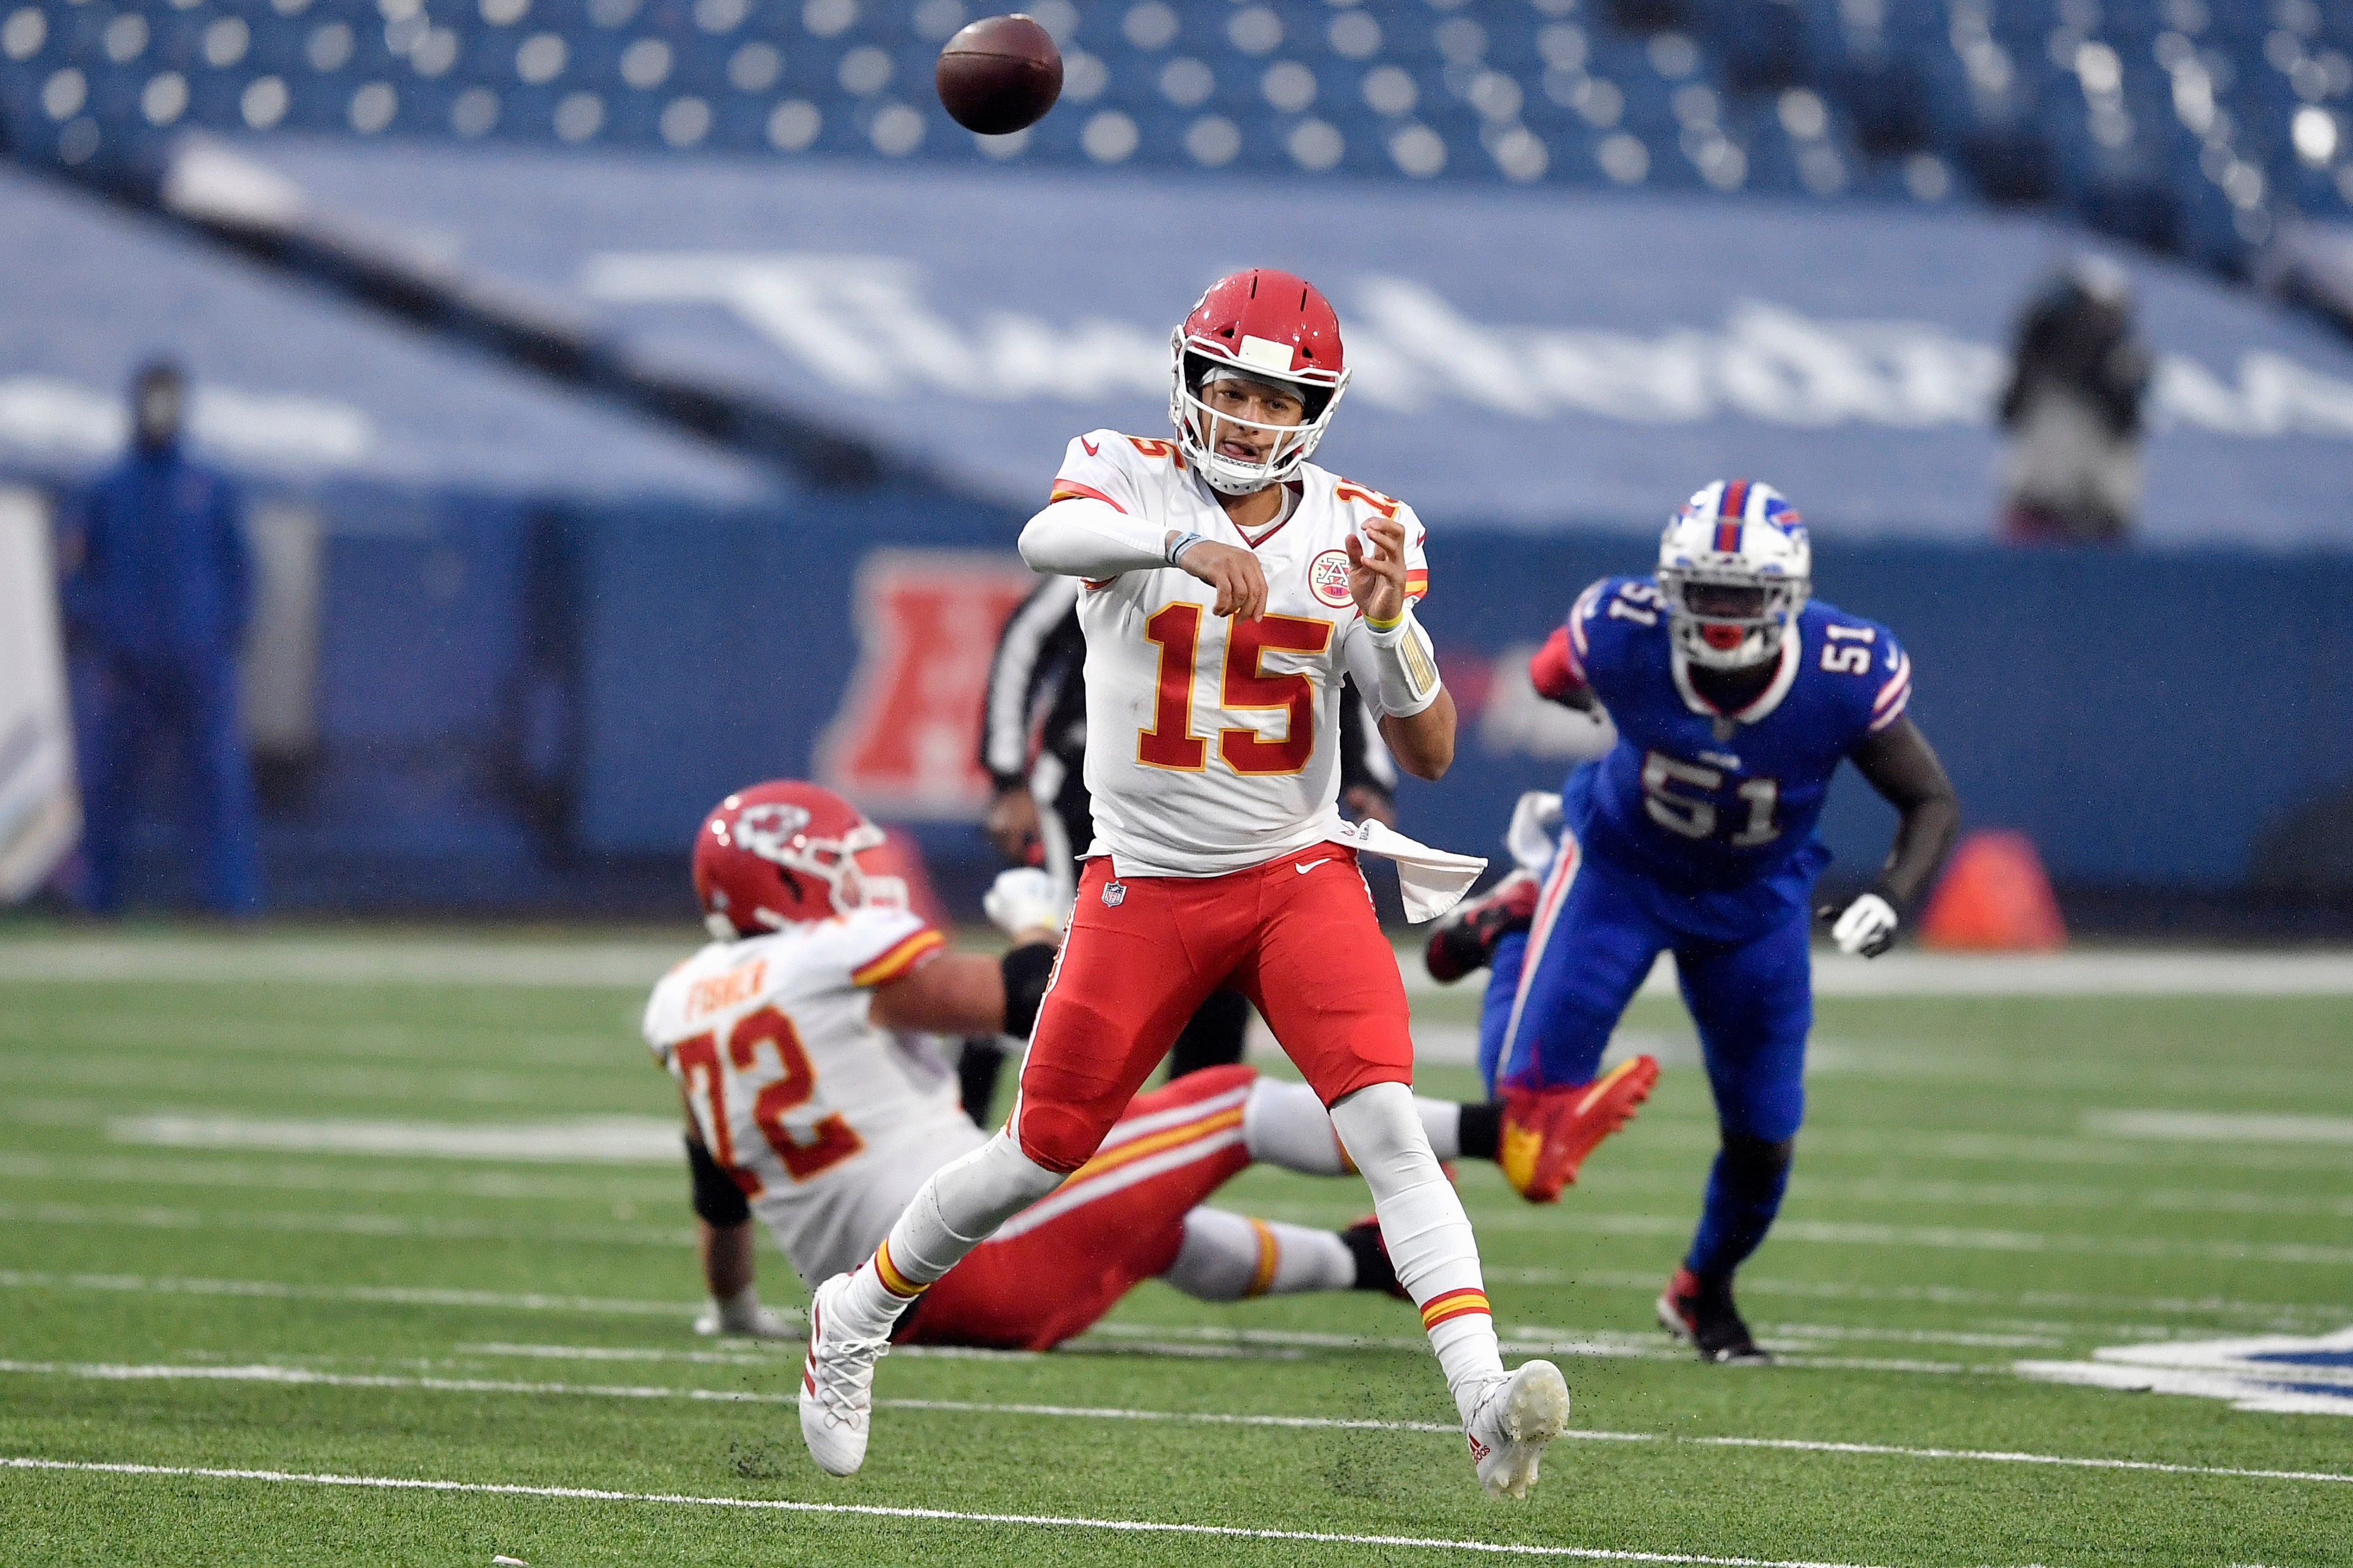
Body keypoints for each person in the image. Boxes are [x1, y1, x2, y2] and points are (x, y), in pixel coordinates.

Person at [798, 268, 1572, 1500]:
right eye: (1228, 387)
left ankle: (1482, 1400)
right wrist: (1178, 542)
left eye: (1275, 398)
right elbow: (1043, 538)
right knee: (1040, 1148)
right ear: (1187, 381)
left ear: (1313, 410)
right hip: (1143, 881)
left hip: (1294, 871)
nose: (1246, 418)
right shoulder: (1125, 472)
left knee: (1381, 1123)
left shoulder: (1363, 526)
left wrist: (1387, 622)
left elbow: (1425, 750)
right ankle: (853, 1313)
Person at [646, 782, 1618, 1350]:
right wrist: (1030, 917)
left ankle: (1366, 1264)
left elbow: (717, 1196)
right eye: (836, 863)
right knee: (1225, 1101)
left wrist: (735, 1313)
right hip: (977, 1264)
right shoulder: (828, 958)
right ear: (788, 878)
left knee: (1146, 1219)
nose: (859, 878)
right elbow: (1023, 999)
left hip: (896, 1302)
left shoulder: (682, 1005)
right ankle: (1505, 1133)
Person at [1437, 480, 1959, 1364]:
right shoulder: (1622, 628)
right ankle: (1522, 921)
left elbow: (1931, 800)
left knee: (1763, 1131)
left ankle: (1702, 1288)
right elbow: (1548, 676)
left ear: (1786, 596)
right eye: (1704, 591)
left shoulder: (1842, 670)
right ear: (1669, 586)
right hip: (1619, 872)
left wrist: (1893, 896)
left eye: (1743, 595)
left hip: (1754, 906)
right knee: (1526, 1138)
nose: (1720, 616)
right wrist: (1606, 703)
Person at [962, 575, 1400, 1118]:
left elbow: (1343, 657)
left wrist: (1367, 774)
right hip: (1101, 794)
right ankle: (977, 1059)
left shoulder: (1304, 544)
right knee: (1076, 979)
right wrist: (1007, 777)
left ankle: (1175, 1164)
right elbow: (1027, 636)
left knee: (1221, 988)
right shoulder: (1132, 524)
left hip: (1229, 806)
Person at [58, 359, 261, 917]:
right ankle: (97, 895)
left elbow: (240, 569)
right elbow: (78, 571)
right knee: (107, 785)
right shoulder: (108, 489)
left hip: (198, 663)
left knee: (217, 784)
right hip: (126, 665)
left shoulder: (208, 486)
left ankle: (228, 899)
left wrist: (222, 634)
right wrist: (101, 630)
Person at [1996, 257, 2151, 544]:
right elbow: (2008, 411)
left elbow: (2124, 423)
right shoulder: (2040, 358)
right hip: (2036, 504)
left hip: (2099, 514)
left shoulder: (2124, 361)